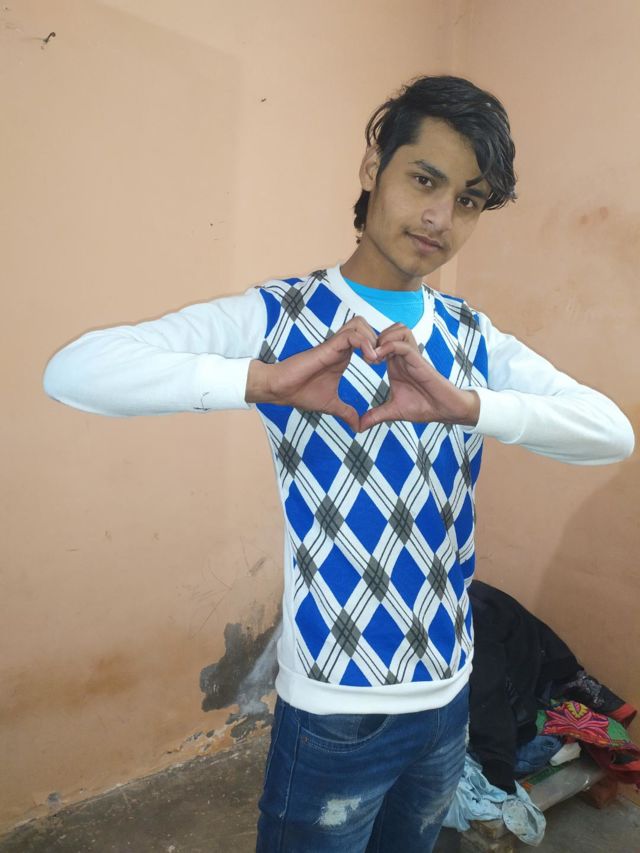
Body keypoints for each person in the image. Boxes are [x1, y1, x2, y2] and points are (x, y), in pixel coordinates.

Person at [43, 75, 634, 852]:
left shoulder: (472, 338)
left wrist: (470, 406)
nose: (440, 217)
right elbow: (75, 370)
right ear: (372, 168)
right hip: (333, 706)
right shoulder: (281, 315)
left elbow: (611, 433)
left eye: (468, 199)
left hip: (449, 697)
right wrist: (260, 381)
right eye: (424, 179)